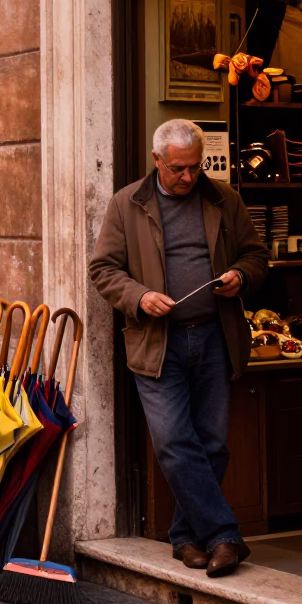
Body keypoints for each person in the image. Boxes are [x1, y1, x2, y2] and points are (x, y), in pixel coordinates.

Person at [89, 119, 269, 578]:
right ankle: (224, 534)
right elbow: (104, 269)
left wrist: (241, 277)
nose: (188, 177)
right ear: (157, 161)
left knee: (212, 443)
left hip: (215, 336)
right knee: (173, 441)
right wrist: (139, 297)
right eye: (178, 170)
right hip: (156, 341)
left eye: (195, 167)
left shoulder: (223, 198)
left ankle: (185, 536)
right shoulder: (126, 203)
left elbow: (256, 255)